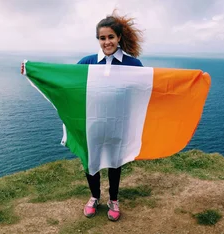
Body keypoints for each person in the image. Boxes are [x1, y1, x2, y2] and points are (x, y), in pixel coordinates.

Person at [77, 11, 144, 222]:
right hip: (92, 121)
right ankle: (95, 196)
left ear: (119, 38)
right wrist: (31, 70)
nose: (107, 42)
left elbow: (149, 87)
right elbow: (65, 81)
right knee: (91, 161)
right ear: (98, 39)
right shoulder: (87, 62)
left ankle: (113, 199)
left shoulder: (133, 65)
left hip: (119, 123)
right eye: (102, 38)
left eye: (111, 37)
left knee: (115, 163)